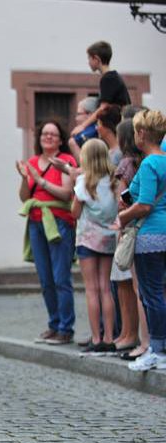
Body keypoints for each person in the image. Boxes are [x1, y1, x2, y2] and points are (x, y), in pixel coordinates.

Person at [17, 120, 77, 345]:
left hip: (59, 222)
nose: (48, 137)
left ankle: (65, 328)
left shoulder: (66, 161)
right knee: (45, 279)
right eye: (45, 133)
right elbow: (25, 197)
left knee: (61, 278)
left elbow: (65, 194)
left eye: (53, 134)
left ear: (60, 140)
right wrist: (25, 178)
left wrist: (40, 179)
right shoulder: (32, 162)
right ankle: (54, 324)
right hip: (36, 222)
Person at [114, 109, 166, 371]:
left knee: (151, 294)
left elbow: (145, 205)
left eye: (135, 131)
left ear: (142, 134)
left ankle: (157, 351)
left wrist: (123, 219)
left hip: (149, 236)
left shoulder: (148, 164)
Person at [71, 139, 118, 354]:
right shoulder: (113, 182)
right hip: (108, 238)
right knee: (106, 288)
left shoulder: (83, 181)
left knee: (91, 290)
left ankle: (97, 338)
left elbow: (75, 212)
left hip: (88, 239)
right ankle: (110, 337)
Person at [113, 119, 146, 358]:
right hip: (147, 227)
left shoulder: (126, 164)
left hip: (133, 227)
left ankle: (139, 338)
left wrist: (122, 219)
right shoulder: (147, 161)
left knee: (136, 287)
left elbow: (122, 200)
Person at [71, 41, 130, 140]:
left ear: (96, 59)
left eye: (89, 58)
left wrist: (83, 126)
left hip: (116, 126)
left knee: (77, 139)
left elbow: (103, 107)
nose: (88, 62)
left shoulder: (108, 78)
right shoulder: (113, 76)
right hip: (119, 124)